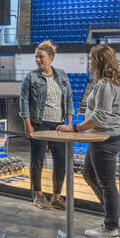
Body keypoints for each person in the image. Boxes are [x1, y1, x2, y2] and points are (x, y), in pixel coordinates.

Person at [60, 43, 120, 238]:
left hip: (104, 138)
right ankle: (114, 218)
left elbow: (100, 118)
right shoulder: (111, 82)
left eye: (91, 58)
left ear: (99, 61)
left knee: (106, 183)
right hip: (102, 137)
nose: (88, 62)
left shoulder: (105, 84)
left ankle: (112, 226)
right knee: (89, 174)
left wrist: (76, 128)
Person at [19, 40, 72, 210]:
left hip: (58, 125)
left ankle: (56, 196)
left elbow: (69, 99)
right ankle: (39, 196)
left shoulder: (62, 75)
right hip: (38, 123)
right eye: (36, 57)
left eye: (41, 57)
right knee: (37, 161)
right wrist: (28, 125)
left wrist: (69, 124)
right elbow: (24, 101)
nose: (38, 60)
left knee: (61, 161)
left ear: (51, 58)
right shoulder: (31, 77)